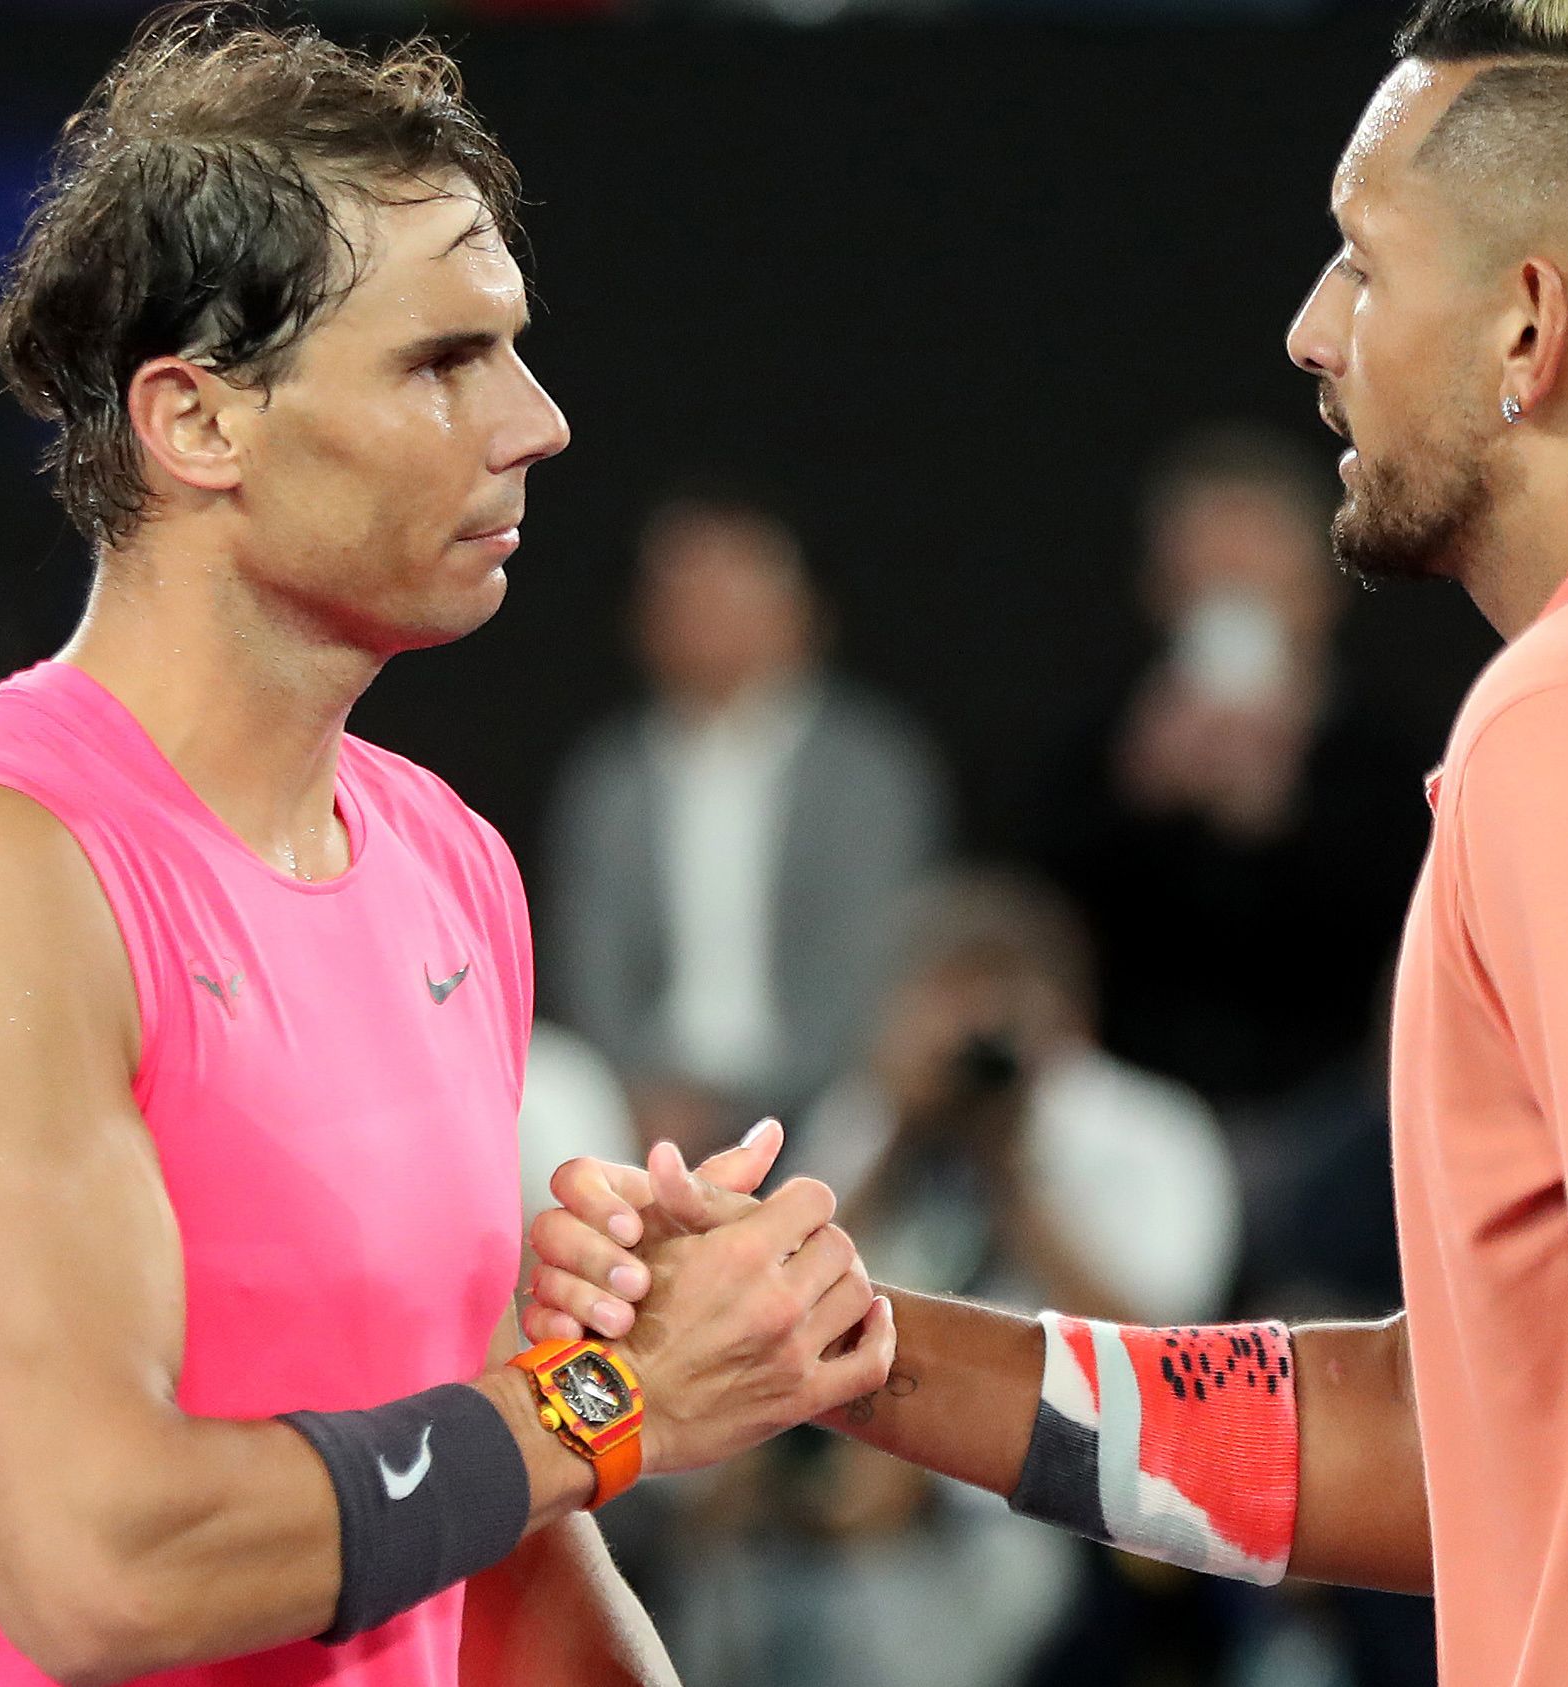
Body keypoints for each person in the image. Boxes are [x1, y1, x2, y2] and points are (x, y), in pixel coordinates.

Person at [523, 4, 1568, 1685]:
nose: (1309, 329)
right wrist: (857, 1350)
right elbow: (1457, 1441)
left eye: (1361, 260)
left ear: (1527, 327)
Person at [0, 14, 888, 1687]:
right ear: (197, 423)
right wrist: (611, 1399)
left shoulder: (446, 864)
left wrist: (588, 1404)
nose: (539, 421)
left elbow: (490, 1548)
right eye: (441, 362)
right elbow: (107, 1570)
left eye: (512, 348)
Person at [654, 872, 1236, 1687]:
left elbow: (1173, 1363)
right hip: (849, 1455)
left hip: (1044, 1493)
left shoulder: (1143, 1131)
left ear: (1067, 1010)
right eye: (949, 996)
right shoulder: (876, 1114)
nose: (973, 1030)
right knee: (713, 1525)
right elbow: (777, 1287)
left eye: (1001, 997)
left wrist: (1012, 1171)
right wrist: (898, 1138)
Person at [1039, 425, 1430, 1110]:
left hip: (1335, 1112)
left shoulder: (1393, 762)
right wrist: (1141, 798)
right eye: (1206, 579)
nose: (1228, 599)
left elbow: (1405, 944)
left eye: (1253, 578)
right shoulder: (1098, 753)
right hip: (1132, 1112)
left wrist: (1280, 819)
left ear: (1320, 588)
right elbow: (1041, 922)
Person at [546, 489, 947, 1149]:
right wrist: (639, 1087)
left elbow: (869, 960)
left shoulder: (869, 773)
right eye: (681, 597)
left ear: (799, 613)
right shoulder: (610, 777)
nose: (702, 617)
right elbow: (589, 960)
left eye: (728, 594)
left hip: (824, 1100)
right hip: (639, 1104)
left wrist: (745, 1106)